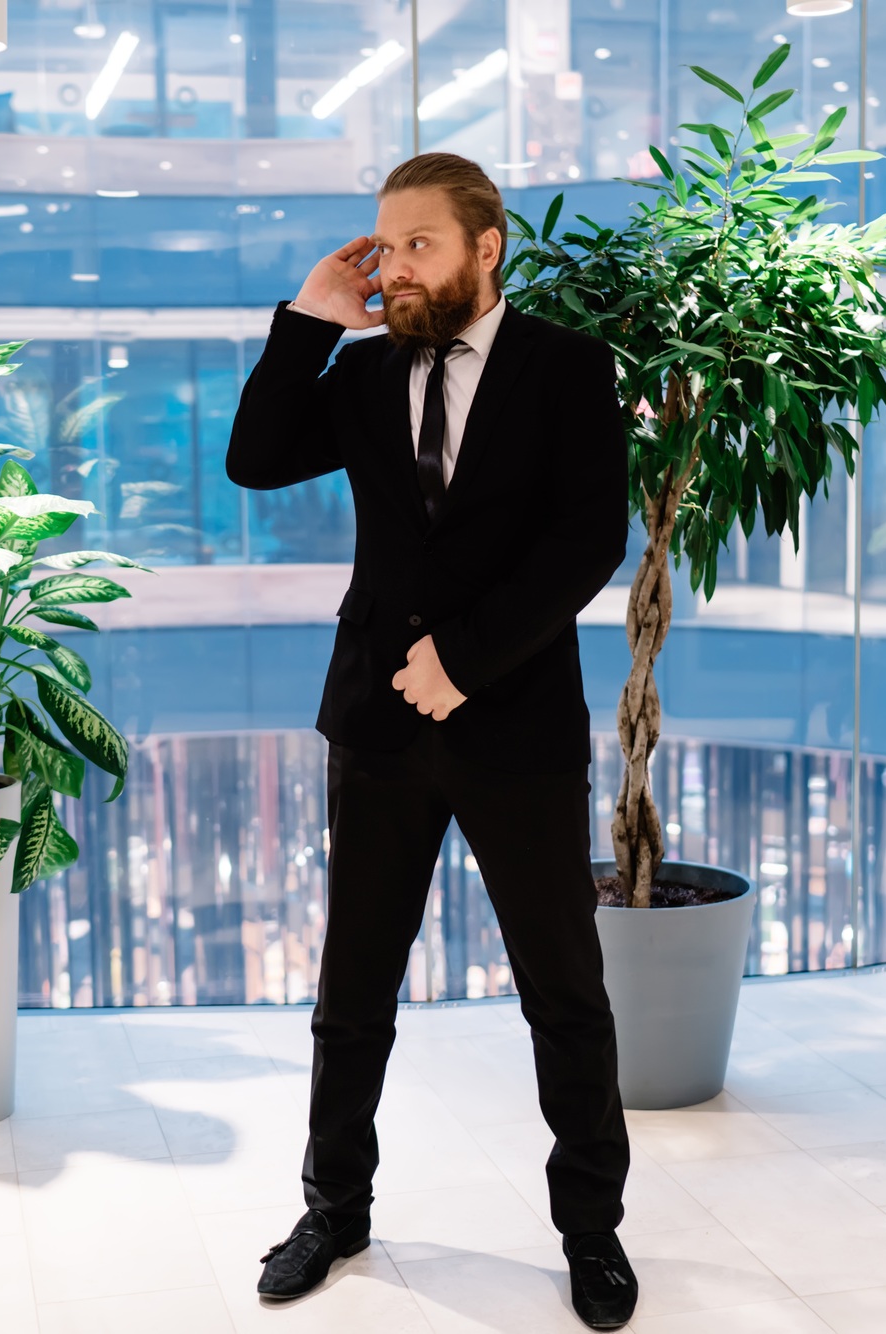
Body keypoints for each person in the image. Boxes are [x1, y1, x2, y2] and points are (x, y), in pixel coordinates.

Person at [226, 154, 637, 1329]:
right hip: (373, 726)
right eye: (382, 246)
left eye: (418, 245)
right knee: (350, 991)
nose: (395, 266)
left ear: (484, 245)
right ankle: (333, 1207)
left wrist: (463, 657)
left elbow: (584, 539)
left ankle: (589, 1232)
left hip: (514, 725)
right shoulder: (357, 370)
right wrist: (309, 316)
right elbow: (254, 457)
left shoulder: (565, 365)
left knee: (564, 994)